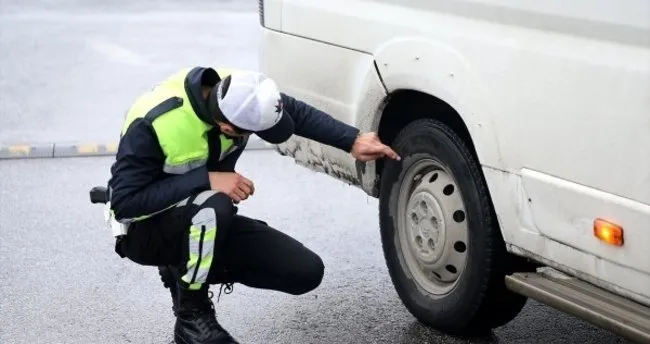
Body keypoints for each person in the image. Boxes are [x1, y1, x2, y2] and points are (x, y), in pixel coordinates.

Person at [105, 66, 400, 344]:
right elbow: (124, 203)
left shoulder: (238, 90)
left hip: (201, 220)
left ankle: (183, 265)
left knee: (304, 271)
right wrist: (207, 178)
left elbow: (290, 109)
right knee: (214, 205)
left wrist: (352, 140)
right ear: (227, 127)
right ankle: (192, 317)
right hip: (145, 232)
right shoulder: (156, 122)